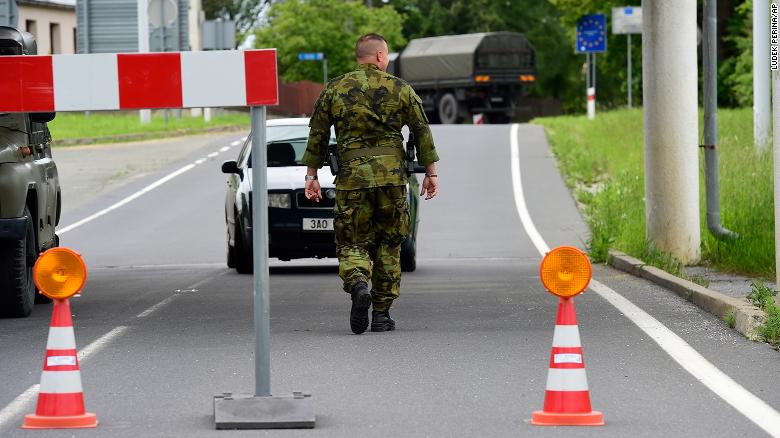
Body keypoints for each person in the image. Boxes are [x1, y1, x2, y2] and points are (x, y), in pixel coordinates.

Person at [301, 33, 439, 335]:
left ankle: (359, 283)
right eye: (386, 55)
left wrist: (311, 176)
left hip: (352, 179)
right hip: (391, 179)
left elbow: (318, 136)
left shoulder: (335, 89)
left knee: (352, 241)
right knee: (390, 244)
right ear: (379, 56)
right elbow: (421, 130)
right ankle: (381, 314)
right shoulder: (400, 88)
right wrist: (430, 173)